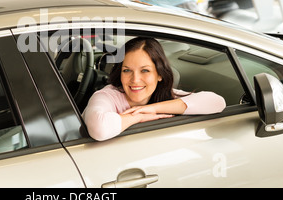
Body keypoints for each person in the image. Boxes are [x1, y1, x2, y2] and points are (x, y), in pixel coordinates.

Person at [82, 37, 226, 141]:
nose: (135, 80)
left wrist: (154, 108)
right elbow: (99, 129)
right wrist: (139, 116)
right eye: (127, 70)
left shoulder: (164, 96)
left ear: (159, 75)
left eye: (145, 71)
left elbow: (218, 102)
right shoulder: (107, 96)